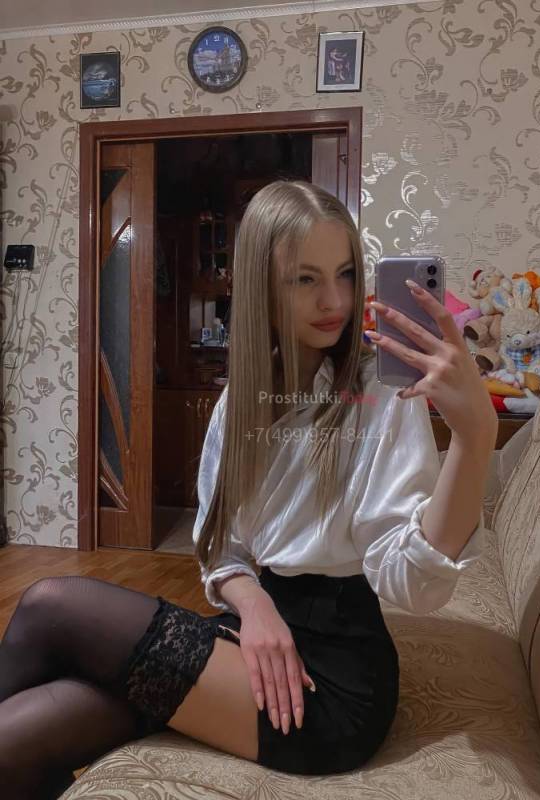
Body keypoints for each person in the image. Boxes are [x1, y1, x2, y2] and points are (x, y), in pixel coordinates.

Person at [0, 180, 497, 796]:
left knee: (50, 603)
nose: (334, 300)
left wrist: (475, 438)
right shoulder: (241, 400)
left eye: (345, 274)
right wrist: (256, 606)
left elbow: (414, 586)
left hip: (334, 681)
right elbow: (221, 549)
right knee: (17, 740)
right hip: (257, 634)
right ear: (262, 286)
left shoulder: (381, 394)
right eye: (305, 279)